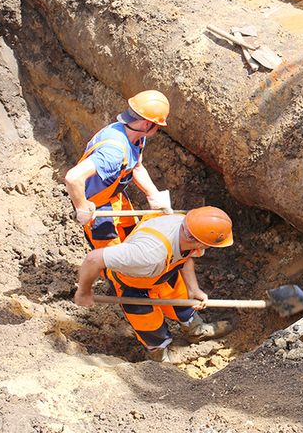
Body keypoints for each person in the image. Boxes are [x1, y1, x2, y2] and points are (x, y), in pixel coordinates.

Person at [74, 206, 235, 362]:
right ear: (202, 243)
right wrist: (83, 292)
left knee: (184, 304)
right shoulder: (147, 253)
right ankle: (158, 360)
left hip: (165, 272)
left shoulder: (191, 228)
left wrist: (194, 289)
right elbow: (94, 259)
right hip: (135, 285)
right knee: (150, 328)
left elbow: (188, 255)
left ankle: (195, 331)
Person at [65, 90, 174, 250]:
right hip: (97, 205)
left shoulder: (134, 134)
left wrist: (155, 197)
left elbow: (136, 167)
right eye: (157, 125)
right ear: (147, 124)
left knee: (131, 238)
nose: (157, 128)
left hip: (116, 197)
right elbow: (73, 178)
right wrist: (82, 209)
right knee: (111, 257)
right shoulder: (114, 152)